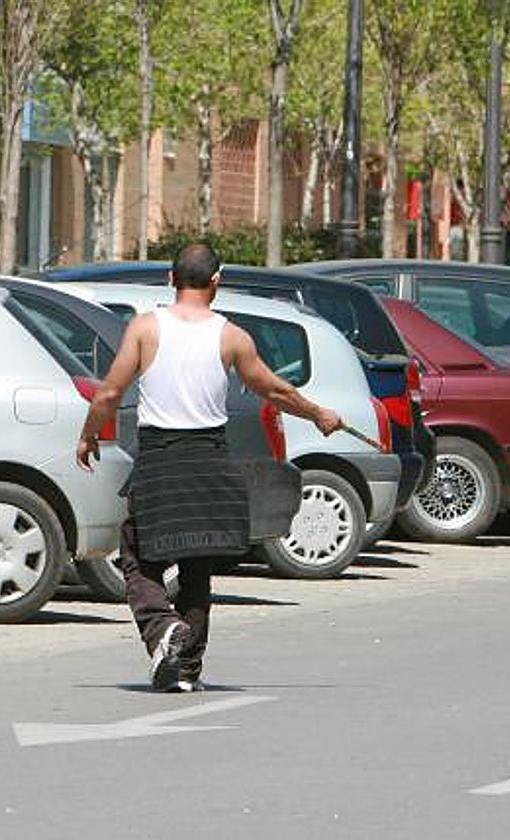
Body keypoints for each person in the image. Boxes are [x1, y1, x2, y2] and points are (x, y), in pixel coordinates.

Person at [76, 243, 344, 692]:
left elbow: (108, 393)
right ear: (217, 281)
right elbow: (274, 390)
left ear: (170, 278)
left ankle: (163, 629)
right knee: (197, 563)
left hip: (160, 458)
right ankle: (185, 671)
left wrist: (87, 435)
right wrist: (319, 414)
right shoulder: (231, 336)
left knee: (137, 556)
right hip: (209, 458)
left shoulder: (145, 328)